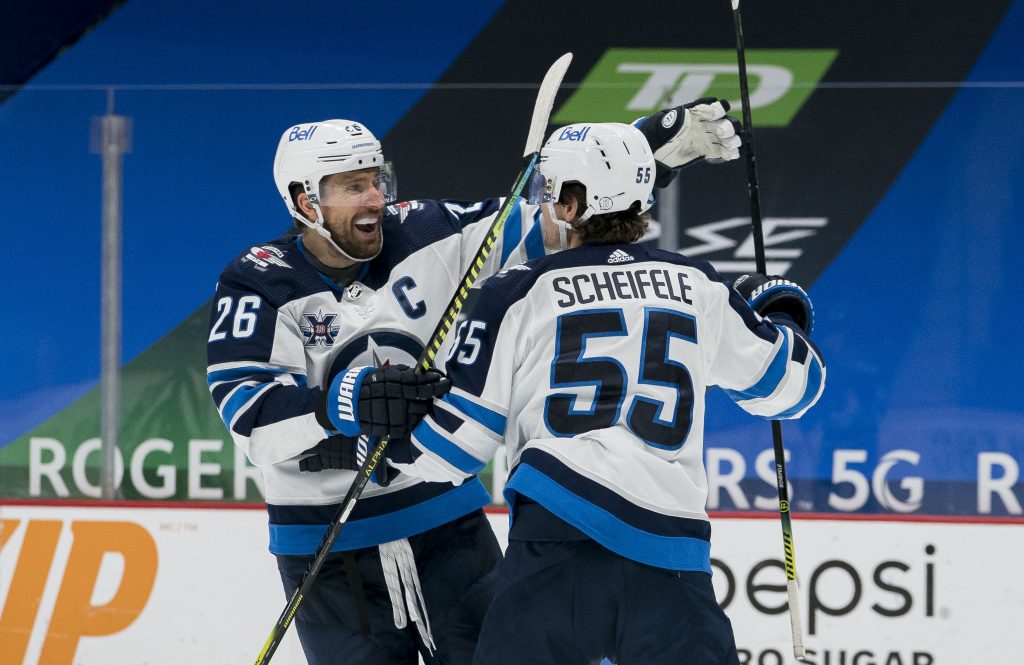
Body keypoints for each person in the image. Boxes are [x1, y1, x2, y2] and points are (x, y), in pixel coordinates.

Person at [206, 103, 741, 664]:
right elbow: (249, 414)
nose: (373, 199)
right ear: (303, 201)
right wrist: (349, 401)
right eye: (351, 186)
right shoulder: (258, 281)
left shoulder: (426, 229)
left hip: (450, 535)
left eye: (376, 180)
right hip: (329, 552)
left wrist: (637, 153)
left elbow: (549, 219)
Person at [367, 121, 825, 664]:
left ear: (569, 204)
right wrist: (783, 317)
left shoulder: (516, 292)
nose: (542, 205)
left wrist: (382, 446)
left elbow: (454, 449)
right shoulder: (698, 285)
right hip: (673, 557)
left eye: (548, 192)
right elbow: (793, 389)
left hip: (555, 553)